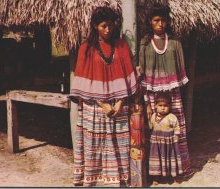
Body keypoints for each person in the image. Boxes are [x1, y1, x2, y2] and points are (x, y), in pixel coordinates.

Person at [69, 6, 137, 187]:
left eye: (111, 26)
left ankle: (117, 181)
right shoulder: (87, 48)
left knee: (118, 144)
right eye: (103, 26)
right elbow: (82, 79)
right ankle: (94, 181)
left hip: (118, 106)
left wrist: (121, 102)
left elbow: (128, 73)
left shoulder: (121, 46)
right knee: (95, 146)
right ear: (94, 26)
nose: (108, 30)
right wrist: (102, 104)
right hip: (94, 106)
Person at [137, 6, 192, 182]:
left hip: (172, 95)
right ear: (150, 22)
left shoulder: (175, 43)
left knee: (175, 129)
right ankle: (157, 172)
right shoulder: (145, 43)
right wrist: (147, 103)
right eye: (156, 20)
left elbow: (179, 73)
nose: (160, 24)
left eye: (163, 20)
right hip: (153, 95)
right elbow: (142, 75)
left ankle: (176, 169)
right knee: (154, 132)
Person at [148, 92, 182, 184]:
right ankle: (156, 177)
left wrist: (176, 137)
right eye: (160, 105)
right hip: (156, 144)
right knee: (157, 159)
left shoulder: (172, 117)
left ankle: (174, 177)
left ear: (170, 106)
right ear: (155, 106)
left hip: (168, 144)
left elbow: (177, 128)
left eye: (165, 105)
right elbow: (150, 127)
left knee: (169, 159)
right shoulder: (153, 117)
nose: (163, 108)